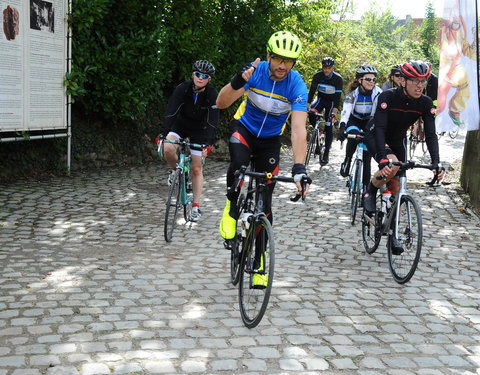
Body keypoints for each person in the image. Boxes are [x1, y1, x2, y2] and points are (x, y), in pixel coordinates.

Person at [216, 31, 311, 287]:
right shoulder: (254, 72)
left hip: (270, 142)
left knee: (265, 206)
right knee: (238, 165)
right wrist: (237, 81)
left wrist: (300, 167)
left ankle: (259, 262)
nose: (282, 66)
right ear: (268, 55)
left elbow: (300, 129)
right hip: (244, 128)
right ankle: (231, 207)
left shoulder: (296, 85)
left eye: (288, 61)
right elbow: (221, 103)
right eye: (278, 58)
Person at [362, 60, 445, 254]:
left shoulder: (425, 103)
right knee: (391, 165)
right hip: (376, 134)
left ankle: (393, 233)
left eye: (423, 81)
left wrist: (436, 162)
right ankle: (371, 190)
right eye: (415, 80)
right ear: (403, 81)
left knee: (398, 188)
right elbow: (381, 127)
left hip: (398, 140)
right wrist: (382, 158)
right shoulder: (387, 97)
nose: (419, 86)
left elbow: (431, 134)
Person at [160, 60, 219, 222]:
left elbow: (213, 120)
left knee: (196, 167)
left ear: (209, 79)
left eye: (205, 76)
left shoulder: (212, 95)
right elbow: (171, 110)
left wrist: (208, 143)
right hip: (180, 125)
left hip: (199, 131)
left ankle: (195, 206)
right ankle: (174, 170)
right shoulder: (182, 88)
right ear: (193, 75)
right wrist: (164, 133)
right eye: (198, 74)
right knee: (168, 148)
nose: (200, 78)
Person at [338, 65, 382, 195]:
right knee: (353, 135)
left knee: (367, 158)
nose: (371, 82)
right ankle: (347, 160)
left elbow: (379, 114)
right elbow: (346, 112)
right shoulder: (353, 94)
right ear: (359, 80)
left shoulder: (378, 93)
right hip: (355, 119)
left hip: (369, 121)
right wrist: (342, 126)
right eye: (368, 79)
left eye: (374, 79)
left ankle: (365, 191)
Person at [307, 56, 343, 165]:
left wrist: (334, 112)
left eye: (329, 68)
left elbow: (337, 97)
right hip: (320, 99)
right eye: (325, 67)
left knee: (329, 126)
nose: (326, 70)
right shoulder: (318, 76)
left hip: (331, 102)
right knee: (312, 114)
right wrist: (307, 105)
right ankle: (318, 131)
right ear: (322, 67)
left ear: (332, 68)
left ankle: (326, 152)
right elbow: (312, 91)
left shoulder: (338, 79)